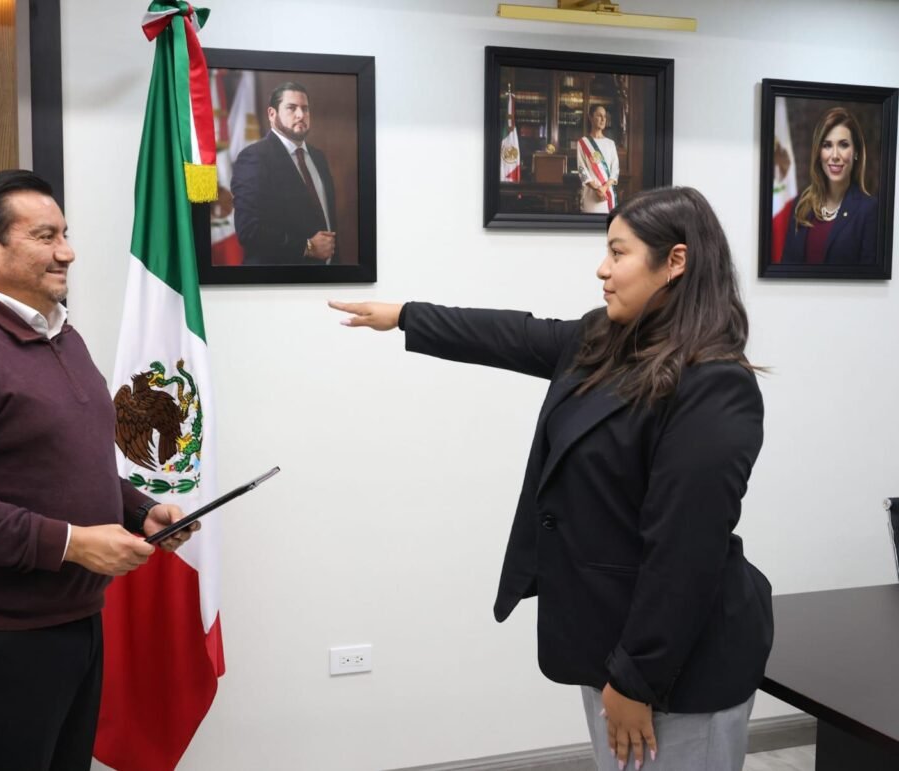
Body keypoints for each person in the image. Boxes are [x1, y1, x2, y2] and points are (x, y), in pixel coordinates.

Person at [329, 186, 773, 771]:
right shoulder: (606, 340)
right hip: (611, 640)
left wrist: (636, 679)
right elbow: (514, 335)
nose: (602, 269)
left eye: (618, 252)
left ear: (676, 261)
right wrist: (406, 315)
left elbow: (684, 554)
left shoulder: (714, 385)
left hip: (677, 665)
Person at [0, 169, 196, 771]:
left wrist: (139, 510)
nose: (67, 252)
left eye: (65, 234)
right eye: (45, 236)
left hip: (77, 620)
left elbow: (67, 462)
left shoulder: (63, 337)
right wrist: (73, 544)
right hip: (3, 640)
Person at [231, 81, 337, 265]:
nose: (301, 115)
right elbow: (249, 230)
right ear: (272, 114)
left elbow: (326, 223)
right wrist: (307, 247)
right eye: (291, 108)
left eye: (305, 109)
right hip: (277, 278)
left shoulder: (318, 157)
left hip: (327, 276)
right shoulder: (254, 157)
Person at [780, 106, 878, 265]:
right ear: (819, 153)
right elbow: (786, 269)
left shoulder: (869, 210)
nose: (835, 155)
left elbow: (870, 277)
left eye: (843, 145)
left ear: (856, 152)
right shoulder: (801, 204)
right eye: (827, 145)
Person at [577, 103, 620, 213]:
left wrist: (604, 188)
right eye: (599, 115)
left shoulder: (610, 144)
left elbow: (615, 170)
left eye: (604, 116)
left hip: (607, 194)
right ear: (591, 118)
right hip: (591, 195)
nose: (603, 119)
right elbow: (582, 170)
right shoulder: (583, 143)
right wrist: (596, 189)